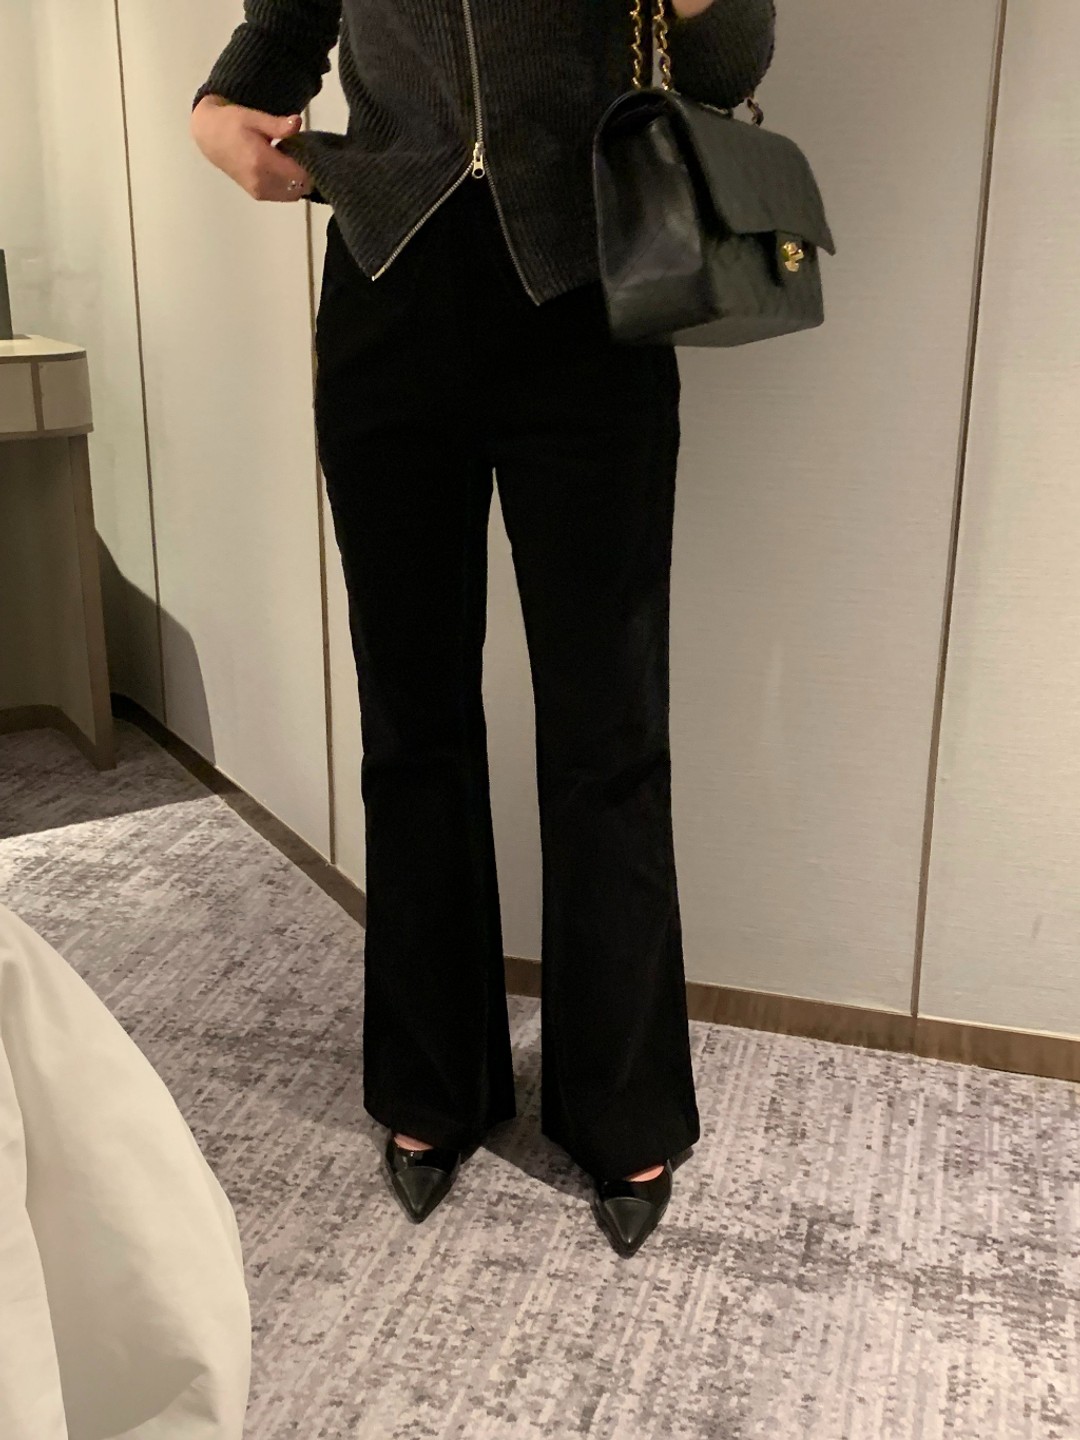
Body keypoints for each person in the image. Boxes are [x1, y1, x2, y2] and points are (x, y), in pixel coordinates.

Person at [190, 0, 776, 1258]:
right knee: (412, 718)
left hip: (594, 285)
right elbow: (285, 23)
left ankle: (619, 1100)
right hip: (388, 286)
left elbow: (730, 61)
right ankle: (433, 1079)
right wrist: (218, 110)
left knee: (609, 728)